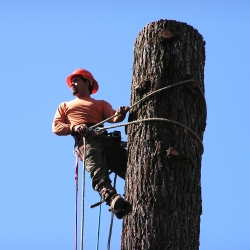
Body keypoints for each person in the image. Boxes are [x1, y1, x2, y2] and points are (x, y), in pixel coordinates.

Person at [52, 68, 129, 218]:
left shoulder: (100, 104)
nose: (72, 84)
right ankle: (112, 199)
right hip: (86, 142)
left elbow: (114, 118)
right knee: (97, 171)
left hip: (105, 140)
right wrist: (74, 127)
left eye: (76, 80)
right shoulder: (65, 106)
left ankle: (140, 186)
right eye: (71, 82)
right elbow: (56, 127)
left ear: (87, 82)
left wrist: (121, 113)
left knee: (128, 166)